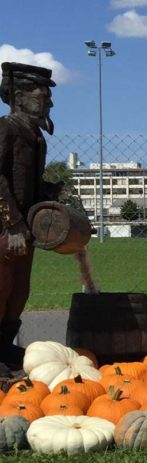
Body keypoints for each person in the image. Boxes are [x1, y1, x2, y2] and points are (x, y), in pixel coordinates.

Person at [0, 62, 58, 369]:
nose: (48, 101)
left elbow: (29, 184)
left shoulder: (36, 137)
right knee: (2, 286)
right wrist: (13, 224)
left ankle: (4, 346)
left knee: (19, 290)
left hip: (24, 230)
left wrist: (49, 193)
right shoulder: (6, 128)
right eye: (42, 94)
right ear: (19, 96)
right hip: (6, 227)